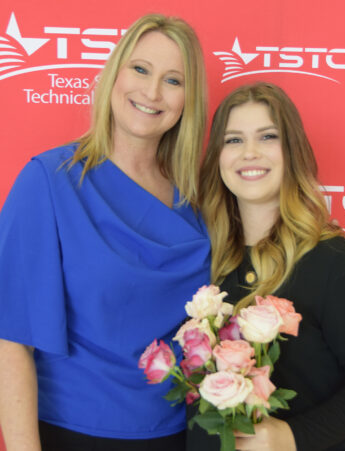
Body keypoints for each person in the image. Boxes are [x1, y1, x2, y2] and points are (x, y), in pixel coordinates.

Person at [0, 14, 210, 451]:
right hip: (72, 433)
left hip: (178, 436)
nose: (152, 92)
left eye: (173, 80)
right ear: (113, 75)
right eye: (140, 69)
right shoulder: (49, 181)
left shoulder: (198, 200)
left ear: (189, 100)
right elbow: (10, 339)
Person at [187, 82, 345, 451]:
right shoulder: (202, 263)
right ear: (217, 156)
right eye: (234, 140)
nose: (249, 153)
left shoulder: (336, 263)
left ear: (292, 151)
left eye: (267, 136)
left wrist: (293, 437)